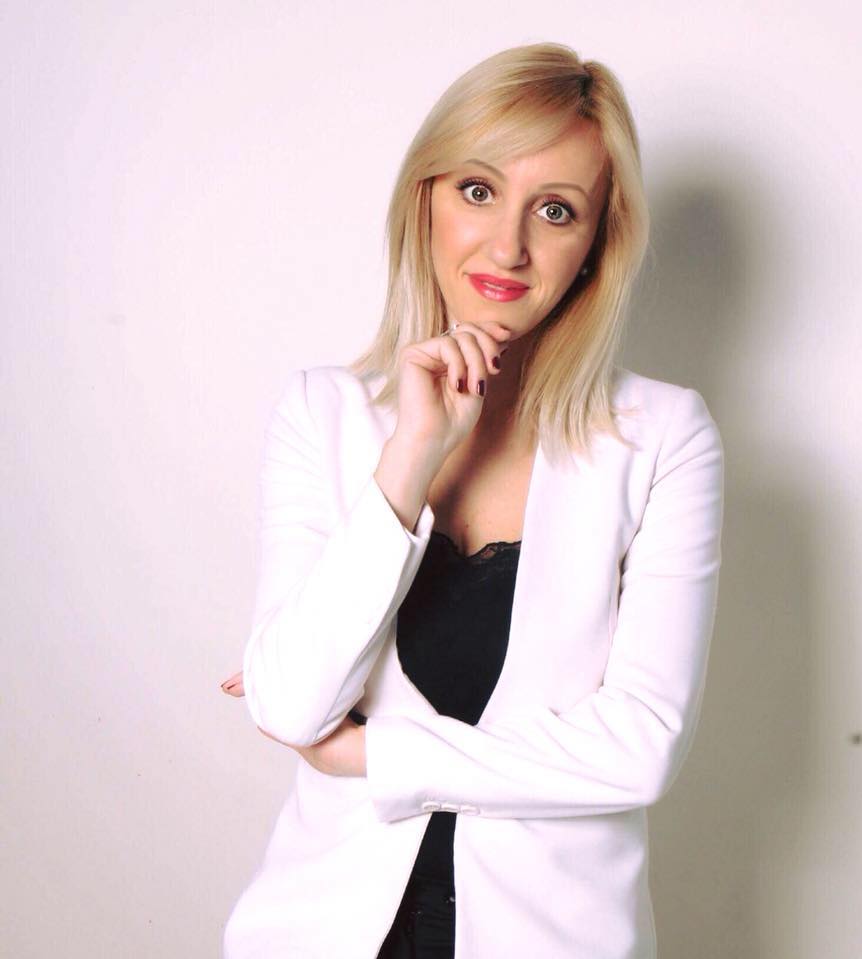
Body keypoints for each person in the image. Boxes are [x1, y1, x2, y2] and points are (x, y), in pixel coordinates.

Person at [220, 41, 724, 959]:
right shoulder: (322, 414)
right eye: (479, 190)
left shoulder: (661, 437)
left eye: (556, 210)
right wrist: (413, 452)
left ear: (596, 244)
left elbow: (640, 747)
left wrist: (377, 754)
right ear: (426, 200)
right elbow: (290, 706)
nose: (508, 247)